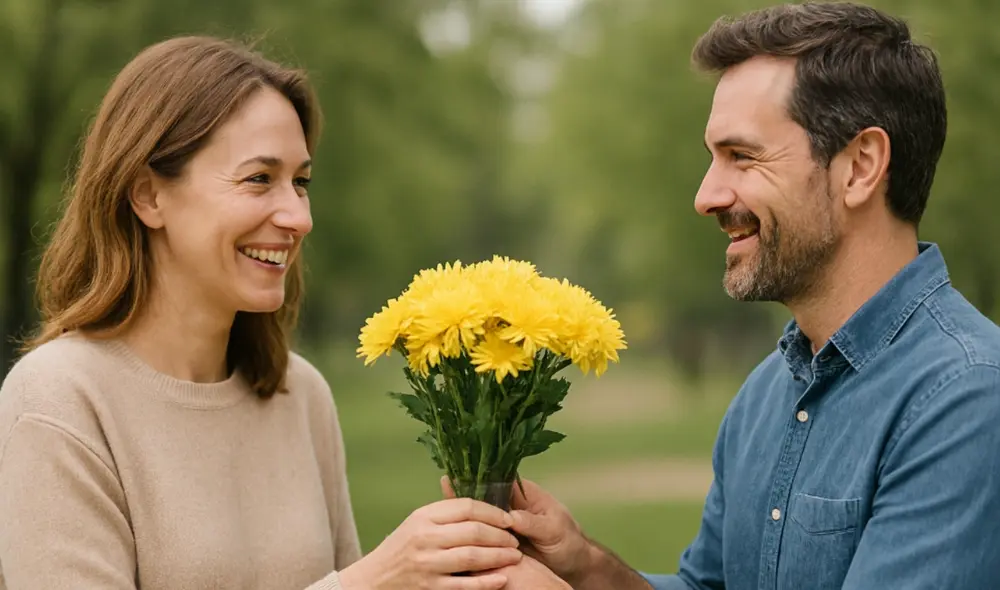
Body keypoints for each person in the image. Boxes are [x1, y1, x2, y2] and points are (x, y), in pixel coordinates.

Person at [475, 2, 1000, 589]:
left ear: (859, 166)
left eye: (742, 156)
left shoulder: (968, 399)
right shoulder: (766, 393)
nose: (705, 196)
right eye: (713, 159)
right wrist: (584, 569)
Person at [0, 36, 523, 589]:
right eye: (259, 179)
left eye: (301, 182)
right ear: (149, 195)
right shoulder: (58, 402)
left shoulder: (301, 396)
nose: (298, 216)